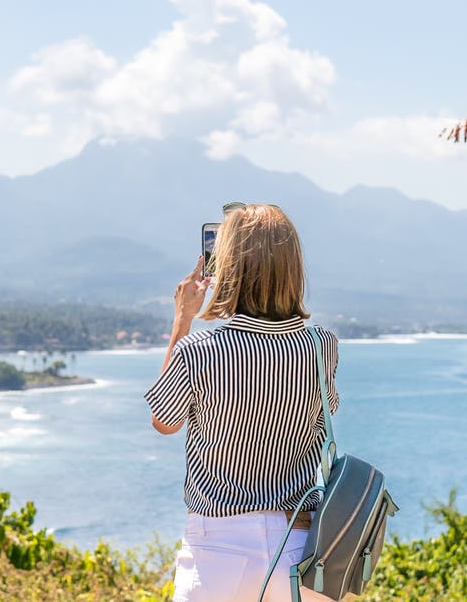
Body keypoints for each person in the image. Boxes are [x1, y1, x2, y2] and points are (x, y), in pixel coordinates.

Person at [145, 204, 338, 602]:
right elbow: (324, 413)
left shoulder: (200, 351)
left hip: (218, 547)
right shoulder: (322, 346)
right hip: (300, 548)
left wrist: (182, 321)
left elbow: (164, 420)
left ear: (228, 268)